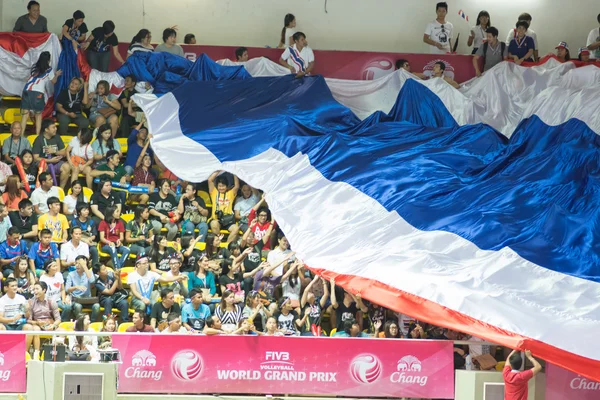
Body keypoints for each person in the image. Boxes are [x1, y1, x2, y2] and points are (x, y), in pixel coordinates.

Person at [22, 53, 62, 136]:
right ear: (48, 60)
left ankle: (21, 135)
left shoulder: (34, 67)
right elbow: (53, 81)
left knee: (25, 116)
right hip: (37, 92)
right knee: (38, 116)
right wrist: (56, 75)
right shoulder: (49, 69)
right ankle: (37, 135)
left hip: (26, 90)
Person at [32, 119, 71, 187]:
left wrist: (55, 151)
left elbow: (64, 153)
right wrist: (49, 160)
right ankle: (44, 189)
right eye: (53, 127)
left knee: (66, 167)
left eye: (55, 127)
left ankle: (61, 190)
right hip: (44, 163)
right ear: (46, 129)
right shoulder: (39, 140)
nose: (56, 129)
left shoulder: (57, 137)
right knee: (44, 166)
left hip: (56, 162)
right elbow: (35, 158)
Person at [27, 281, 61, 359]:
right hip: (37, 324)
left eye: (37, 289)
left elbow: (58, 319)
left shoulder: (51, 302)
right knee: (35, 329)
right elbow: (28, 320)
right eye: (34, 289)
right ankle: (36, 353)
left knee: (62, 331)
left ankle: (57, 354)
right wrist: (37, 323)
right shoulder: (31, 302)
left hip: (50, 323)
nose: (35, 291)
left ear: (44, 290)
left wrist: (53, 325)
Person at [66, 255, 99, 321]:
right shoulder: (71, 274)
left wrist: (84, 266)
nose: (77, 265)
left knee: (97, 306)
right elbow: (67, 289)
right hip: (77, 299)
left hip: (88, 299)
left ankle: (91, 323)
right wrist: (76, 287)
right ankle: (80, 323)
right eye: (76, 263)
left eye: (80, 263)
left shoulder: (89, 272)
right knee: (78, 306)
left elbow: (92, 281)